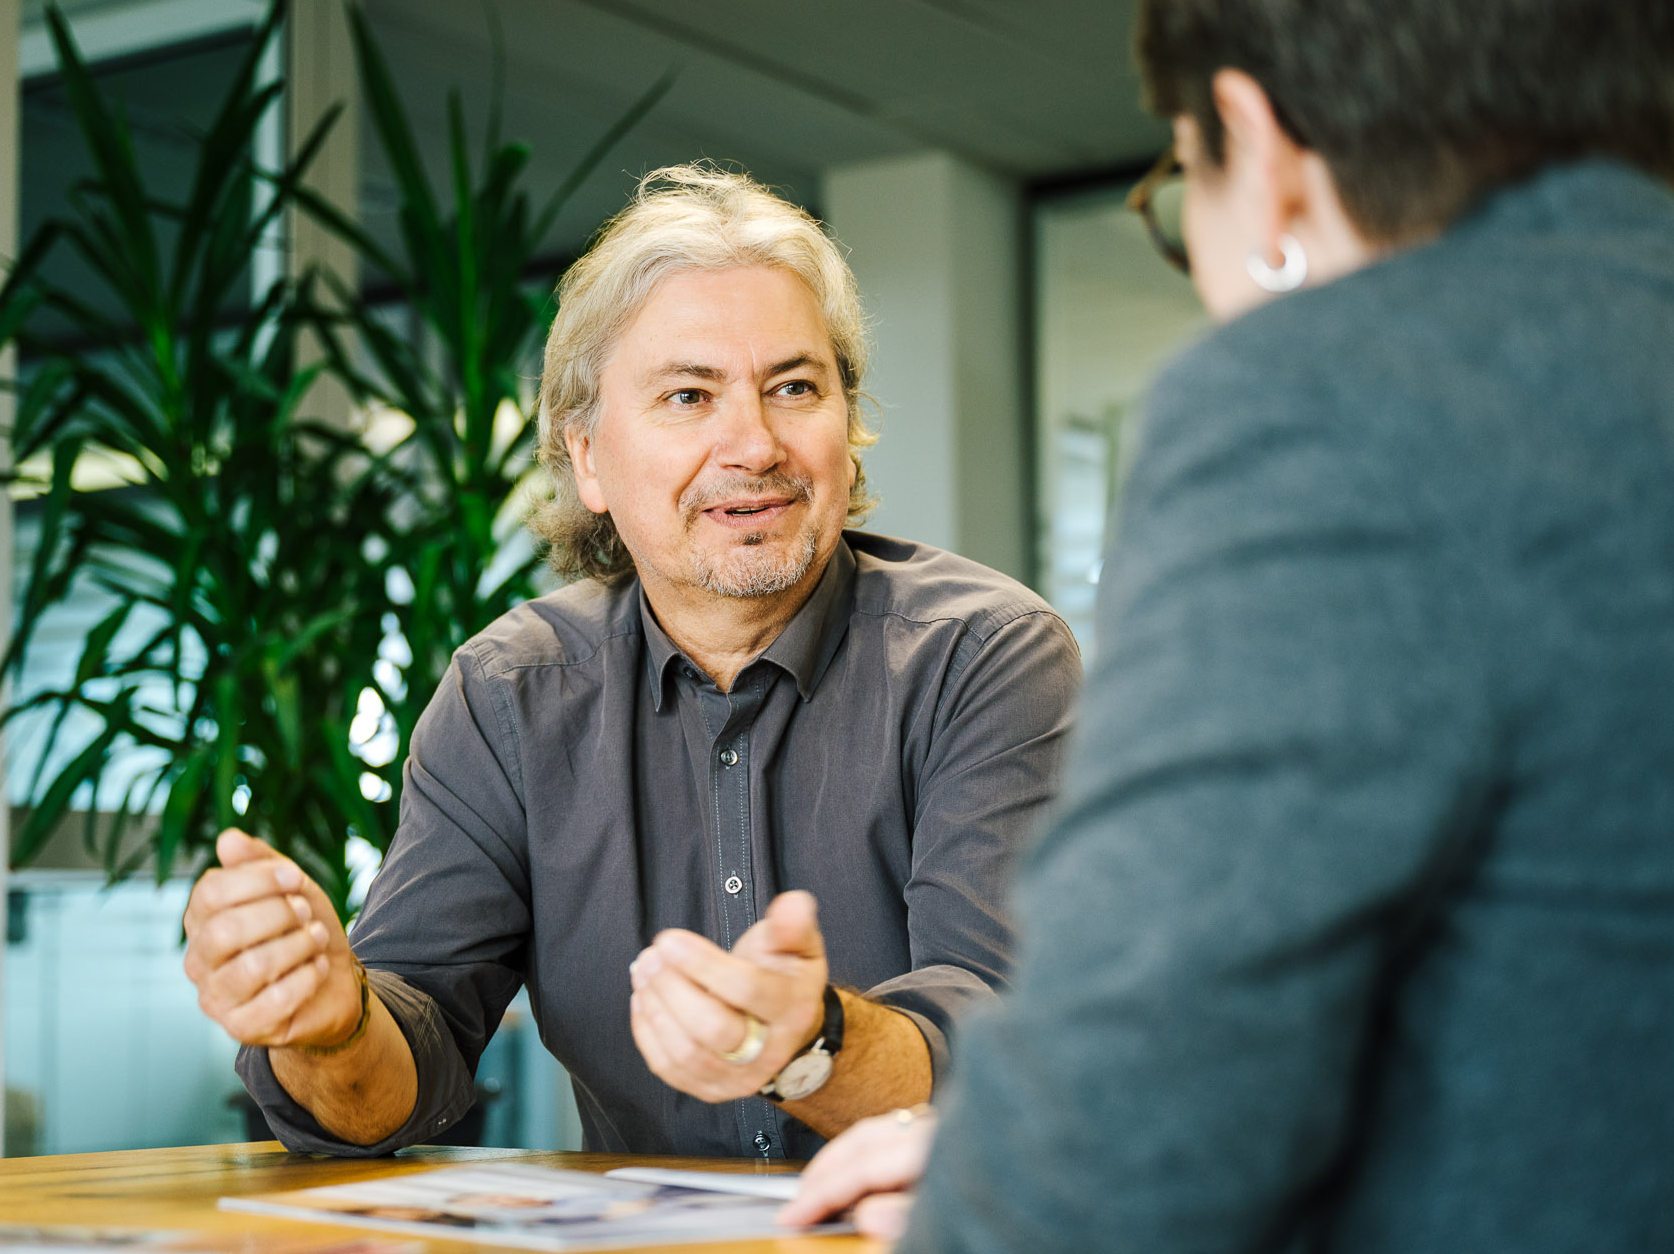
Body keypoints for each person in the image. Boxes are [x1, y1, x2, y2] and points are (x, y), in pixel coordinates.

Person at [783, 0, 1674, 1254]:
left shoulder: (1335, 396)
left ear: (1260, 151)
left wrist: (1007, 1184)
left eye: (1184, 187)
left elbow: (1110, 1191)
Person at [181, 165, 1081, 1162]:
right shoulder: (510, 692)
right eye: (689, 395)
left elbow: (1001, 1036)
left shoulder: (984, 656)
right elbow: (410, 1058)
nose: (754, 442)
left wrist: (809, 1043)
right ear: (589, 460)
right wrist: (329, 1026)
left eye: (794, 387)